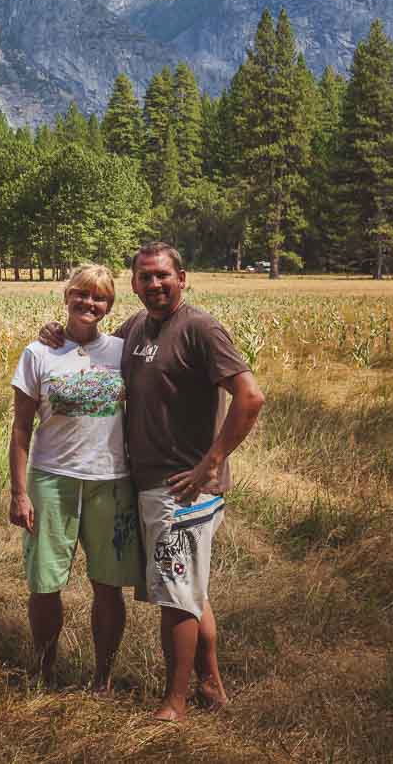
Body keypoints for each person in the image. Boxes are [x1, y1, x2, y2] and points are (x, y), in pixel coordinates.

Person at [40, 243, 264, 721]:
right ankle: (211, 687)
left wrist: (210, 463)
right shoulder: (138, 327)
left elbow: (251, 397)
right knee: (189, 590)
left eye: (163, 275)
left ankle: (174, 704)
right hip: (144, 483)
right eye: (145, 277)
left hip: (182, 488)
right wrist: (57, 334)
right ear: (134, 284)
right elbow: (93, 348)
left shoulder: (200, 328)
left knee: (176, 596)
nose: (155, 284)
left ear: (182, 278)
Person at [8, 263, 142, 691]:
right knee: (45, 584)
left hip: (110, 480)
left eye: (99, 297)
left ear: (110, 306)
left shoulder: (121, 351)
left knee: (108, 585)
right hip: (52, 479)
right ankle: (45, 672)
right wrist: (19, 492)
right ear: (67, 297)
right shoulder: (38, 353)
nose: (89, 303)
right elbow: (21, 429)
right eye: (81, 294)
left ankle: (103, 677)